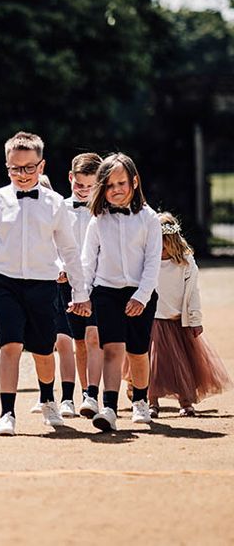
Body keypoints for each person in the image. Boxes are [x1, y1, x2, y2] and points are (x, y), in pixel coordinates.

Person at [0, 131, 90, 436]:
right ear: (7, 165)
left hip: (44, 285)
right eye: (15, 168)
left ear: (41, 165)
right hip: (6, 283)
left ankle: (49, 401)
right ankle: (7, 413)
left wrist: (79, 292)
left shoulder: (54, 203)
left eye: (29, 167)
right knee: (10, 346)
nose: (22, 174)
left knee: (42, 350)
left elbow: (69, 250)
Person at [82, 153, 161, 432]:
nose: (116, 189)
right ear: (102, 188)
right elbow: (87, 261)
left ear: (135, 182)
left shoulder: (149, 219)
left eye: (122, 183)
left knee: (138, 352)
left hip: (141, 293)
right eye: (110, 185)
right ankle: (109, 408)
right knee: (112, 349)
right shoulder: (97, 221)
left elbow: (153, 261)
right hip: (106, 292)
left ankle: (140, 400)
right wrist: (82, 294)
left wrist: (141, 296)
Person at [148, 212, 232, 417]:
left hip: (177, 321)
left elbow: (193, 292)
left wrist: (195, 320)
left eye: (163, 242)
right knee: (151, 365)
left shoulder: (185, 262)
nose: (160, 248)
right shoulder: (147, 261)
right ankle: (151, 403)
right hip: (151, 320)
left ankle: (185, 402)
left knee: (181, 365)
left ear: (172, 240)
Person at [28, 173, 78, 419]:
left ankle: (68, 397)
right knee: (43, 344)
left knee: (64, 341)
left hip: (64, 283)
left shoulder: (60, 215)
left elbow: (68, 247)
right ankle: (45, 394)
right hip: (43, 285)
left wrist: (63, 269)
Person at [61, 153, 103, 419]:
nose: (85, 191)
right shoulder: (60, 208)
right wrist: (59, 267)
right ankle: (77, 393)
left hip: (98, 282)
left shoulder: (105, 211)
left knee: (95, 338)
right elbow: (53, 244)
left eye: (90, 186)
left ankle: (93, 394)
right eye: (79, 185)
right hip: (67, 282)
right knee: (77, 341)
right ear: (70, 178)